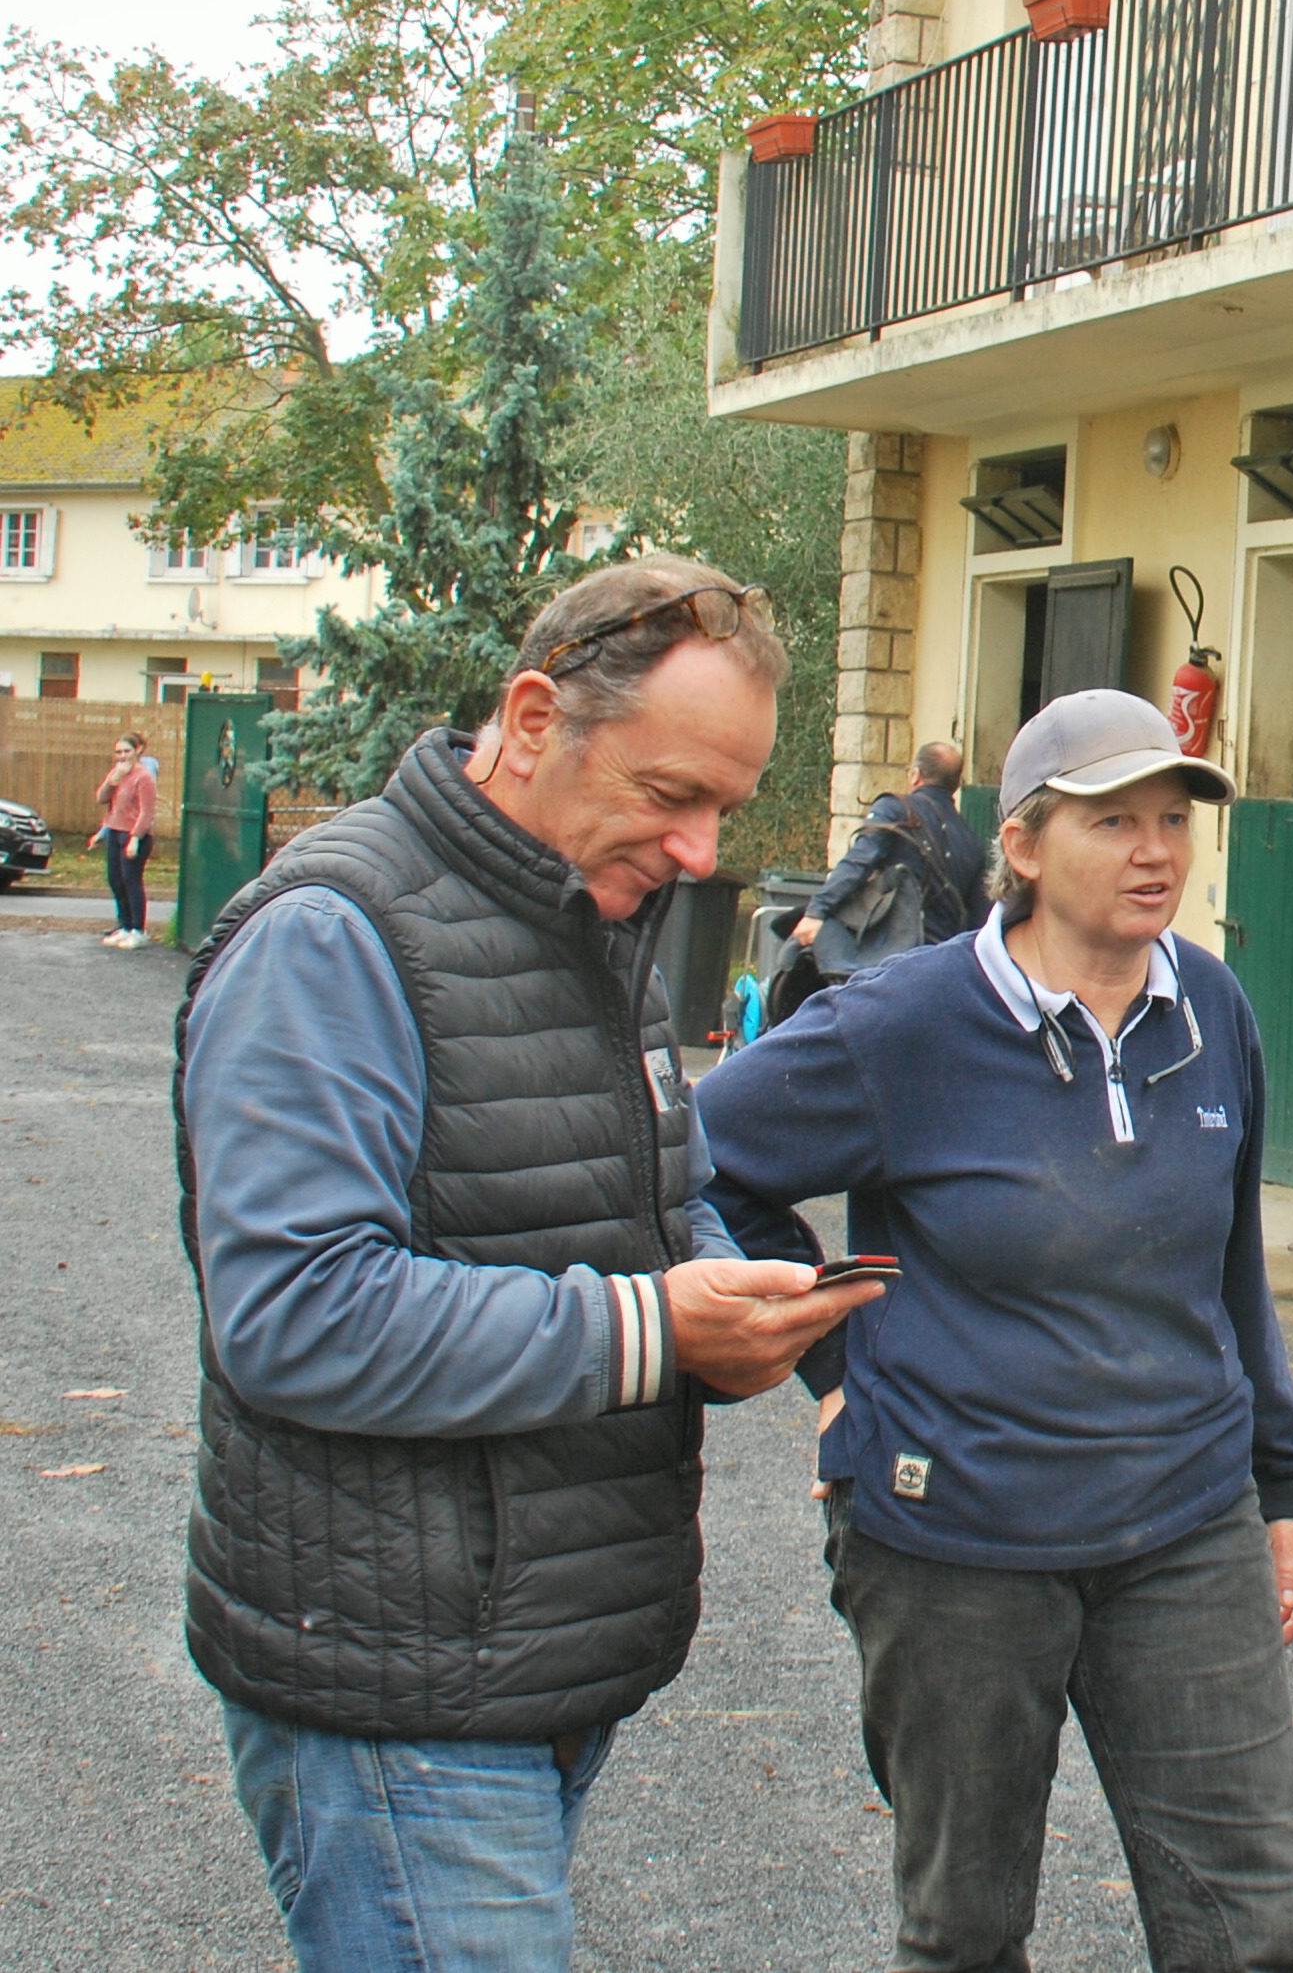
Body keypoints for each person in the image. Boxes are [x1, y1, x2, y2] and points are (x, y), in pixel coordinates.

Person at [176, 555, 887, 1973]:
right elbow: (296, 1311)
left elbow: (634, 1197)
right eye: (669, 795)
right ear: (529, 714)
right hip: (394, 1678)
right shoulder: (334, 935)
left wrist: (728, 1288)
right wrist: (654, 1327)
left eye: (725, 812)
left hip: (521, 1654)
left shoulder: (584, 914)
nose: (699, 853)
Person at [697, 689, 1293, 1973]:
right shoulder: (904, 1023)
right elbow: (705, 1159)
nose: (1156, 849)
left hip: (1184, 1521)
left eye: (1173, 818)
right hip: (956, 1540)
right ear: (1027, 843)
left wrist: (1286, 1479)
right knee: (967, 1930)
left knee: (1249, 1935)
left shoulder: (1212, 1009)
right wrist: (828, 1364)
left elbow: (1228, 1270)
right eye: (1115, 820)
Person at [794, 737, 989, 955]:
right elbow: (980, 918)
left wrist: (816, 911)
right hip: (941, 961)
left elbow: (859, 862)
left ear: (915, 775)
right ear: (956, 784)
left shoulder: (896, 810)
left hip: (892, 955)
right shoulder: (971, 840)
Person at [94, 730, 154, 949]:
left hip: (134, 836)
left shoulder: (144, 777)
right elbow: (101, 798)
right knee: (115, 880)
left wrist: (135, 838)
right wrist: (113, 779)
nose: (122, 756)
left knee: (131, 881)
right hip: (115, 832)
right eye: (118, 752)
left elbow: (146, 812)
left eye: (126, 751)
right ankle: (125, 925)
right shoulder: (118, 774)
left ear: (137, 750)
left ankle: (138, 929)